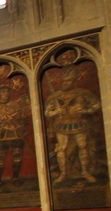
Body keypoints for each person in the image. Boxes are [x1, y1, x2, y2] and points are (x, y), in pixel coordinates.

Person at [43, 51, 102, 184]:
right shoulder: (56, 96)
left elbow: (97, 105)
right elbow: (46, 112)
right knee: (61, 149)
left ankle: (85, 171)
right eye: (64, 80)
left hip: (79, 123)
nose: (66, 83)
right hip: (61, 124)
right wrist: (56, 112)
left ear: (74, 80)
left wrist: (85, 110)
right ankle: (63, 173)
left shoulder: (83, 93)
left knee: (83, 146)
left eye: (69, 80)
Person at [0, 66, 31, 186]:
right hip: (3, 135)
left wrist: (16, 116)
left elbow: (23, 116)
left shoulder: (15, 105)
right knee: (0, 158)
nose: (6, 94)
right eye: (3, 92)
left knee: (17, 156)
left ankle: (15, 177)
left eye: (7, 91)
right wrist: (1, 120)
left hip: (16, 134)